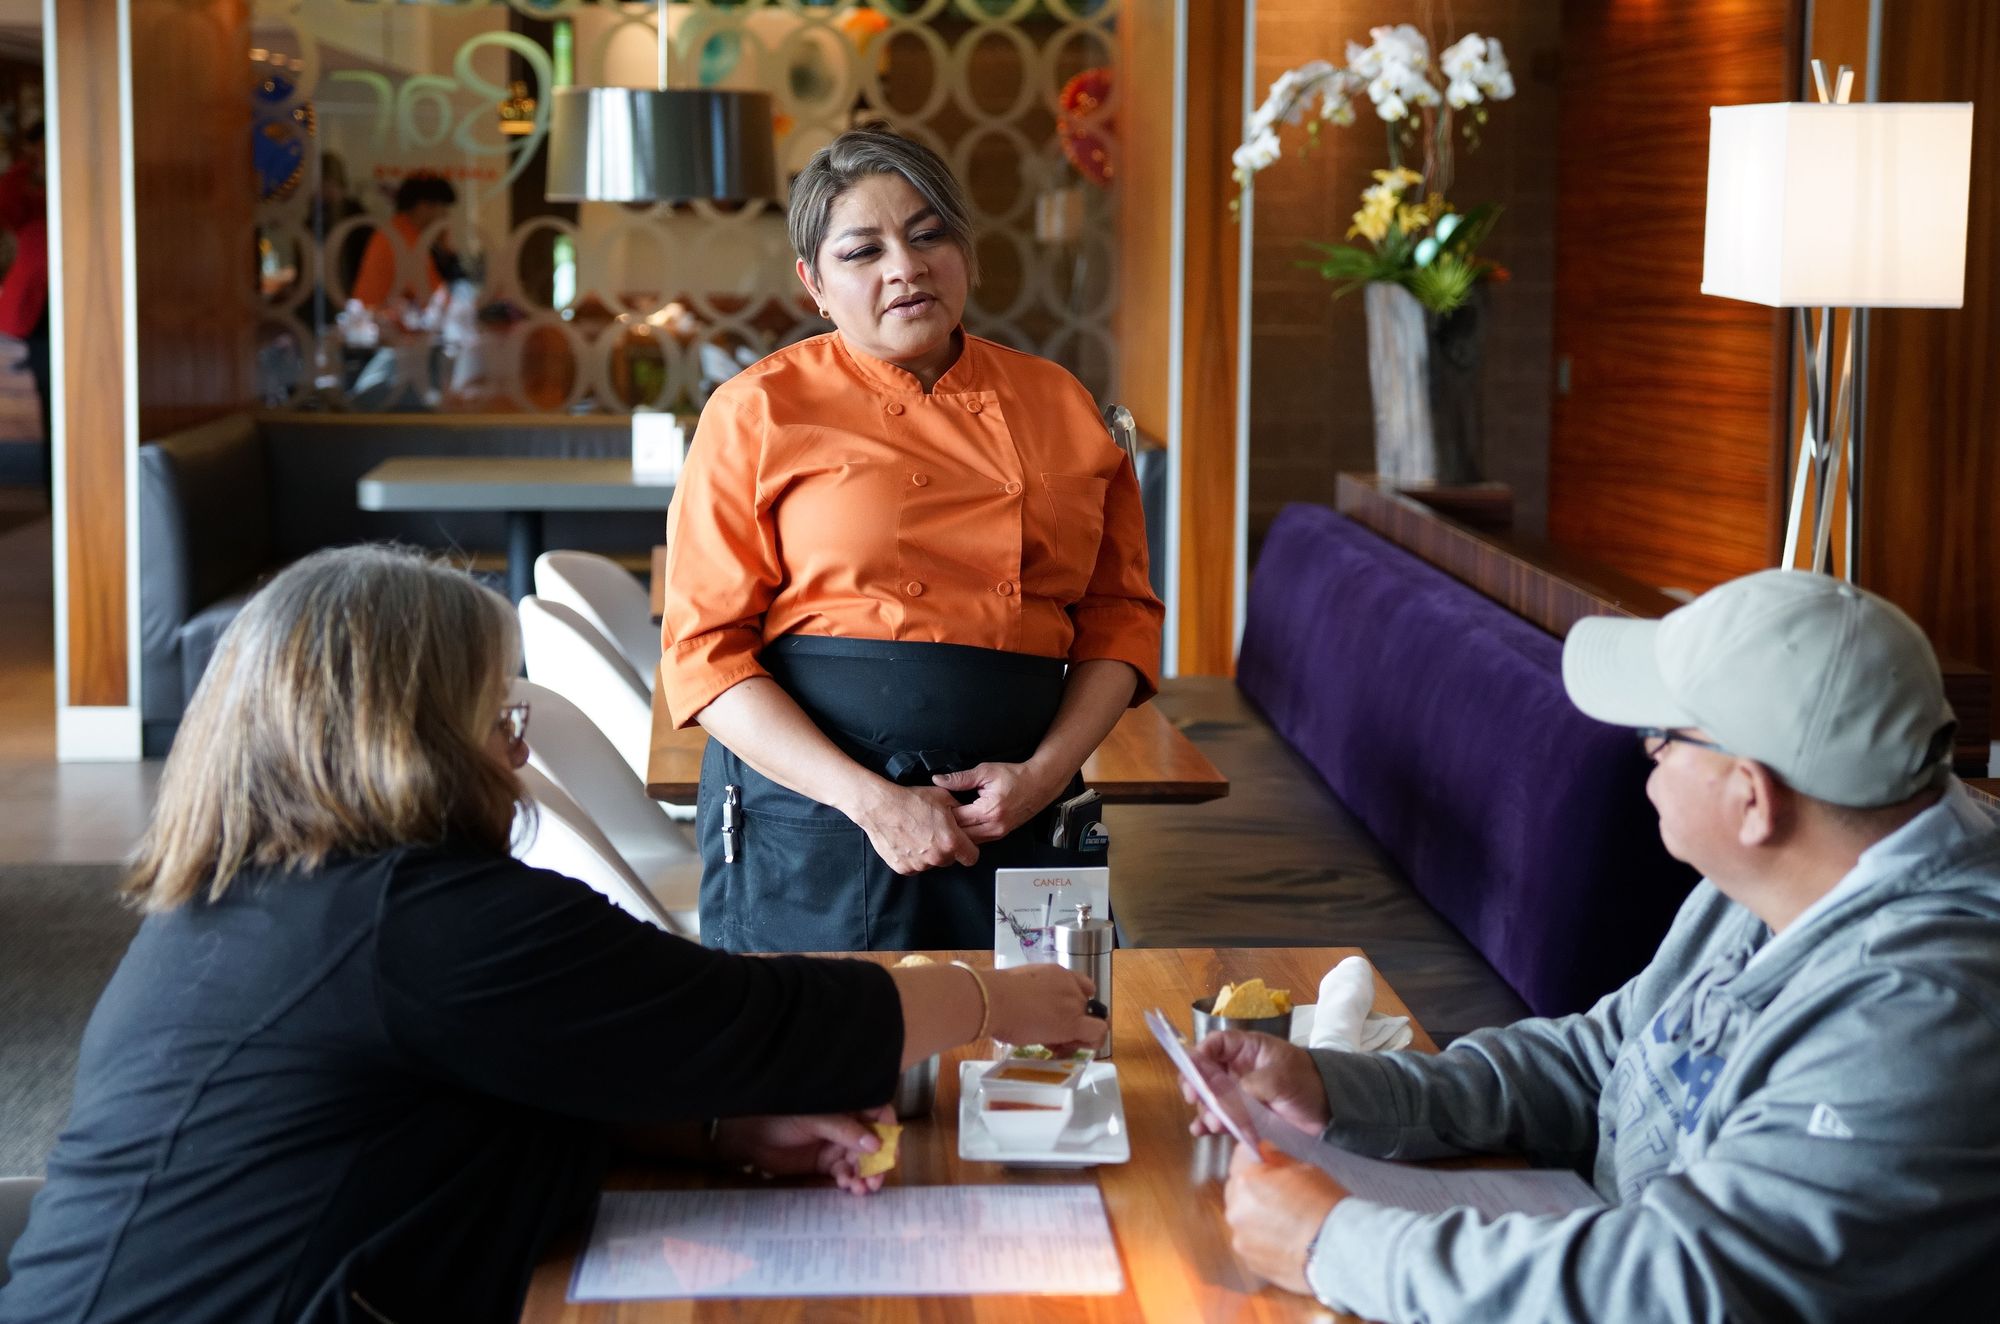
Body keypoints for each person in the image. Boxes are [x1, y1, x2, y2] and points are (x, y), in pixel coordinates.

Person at [0, 547, 1103, 1323]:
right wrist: (985, 995)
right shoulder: (423, 922)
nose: (516, 753)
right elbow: (745, 1017)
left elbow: (467, 1090)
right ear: (409, 739)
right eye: (496, 717)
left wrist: (710, 1132)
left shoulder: (248, 895)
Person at [1187, 570, 2000, 1322]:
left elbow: (1682, 1286)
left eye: (1663, 735)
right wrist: (1342, 1091)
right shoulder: (1784, 872)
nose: (1643, 755)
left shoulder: (1924, 1019)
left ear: (1752, 799)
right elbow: (1602, 1059)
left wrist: (1333, 1244)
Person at [659, 125, 1163, 953]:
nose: (906, 266)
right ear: (814, 284)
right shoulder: (758, 411)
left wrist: (1037, 781)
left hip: (1023, 815)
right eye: (863, 251)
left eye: (929, 235)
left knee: (1037, 1059)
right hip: (822, 820)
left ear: (965, 253)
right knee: (829, 1069)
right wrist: (870, 801)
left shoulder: (1062, 403)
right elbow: (705, 655)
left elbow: (1121, 621)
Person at [0, 121, 48, 497]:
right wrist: (26, 164)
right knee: (50, 394)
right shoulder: (33, 202)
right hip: (40, 310)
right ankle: (54, 479)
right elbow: (4, 200)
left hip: (76, 300)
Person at [348, 172, 455, 311]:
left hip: (379, 321)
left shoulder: (397, 231)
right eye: (443, 208)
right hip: (378, 325)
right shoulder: (404, 240)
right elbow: (439, 299)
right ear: (424, 206)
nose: (445, 216)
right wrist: (447, 253)